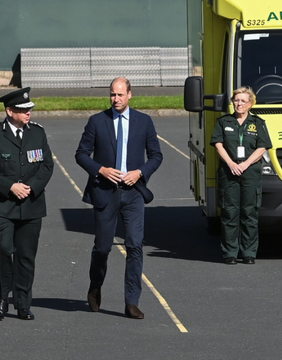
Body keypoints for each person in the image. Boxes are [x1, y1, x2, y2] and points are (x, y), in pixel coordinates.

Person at [75, 77, 163, 319]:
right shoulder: (97, 121)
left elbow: (156, 155)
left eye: (120, 95)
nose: (116, 99)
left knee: (135, 245)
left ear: (130, 95)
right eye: (113, 95)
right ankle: (95, 286)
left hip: (134, 194)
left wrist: (140, 172)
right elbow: (81, 154)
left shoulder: (144, 122)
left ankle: (131, 301)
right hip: (105, 192)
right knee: (102, 248)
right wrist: (100, 170)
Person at [0, 88, 54, 320]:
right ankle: (3, 300)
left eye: (29, 109)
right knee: (3, 249)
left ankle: (23, 304)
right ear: (9, 110)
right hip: (2, 204)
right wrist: (10, 186)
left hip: (31, 204)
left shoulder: (37, 133)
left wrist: (31, 187)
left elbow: (46, 165)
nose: (28, 113)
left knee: (26, 255)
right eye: (23, 110)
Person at [210, 87, 272, 265]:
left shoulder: (257, 123)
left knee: (249, 213)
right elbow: (218, 144)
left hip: (250, 172)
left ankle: (249, 252)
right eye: (236, 100)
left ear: (250, 104)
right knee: (230, 212)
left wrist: (245, 164)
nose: (239, 104)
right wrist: (231, 163)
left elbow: (262, 147)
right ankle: (230, 252)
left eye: (243, 101)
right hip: (229, 172)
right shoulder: (224, 122)